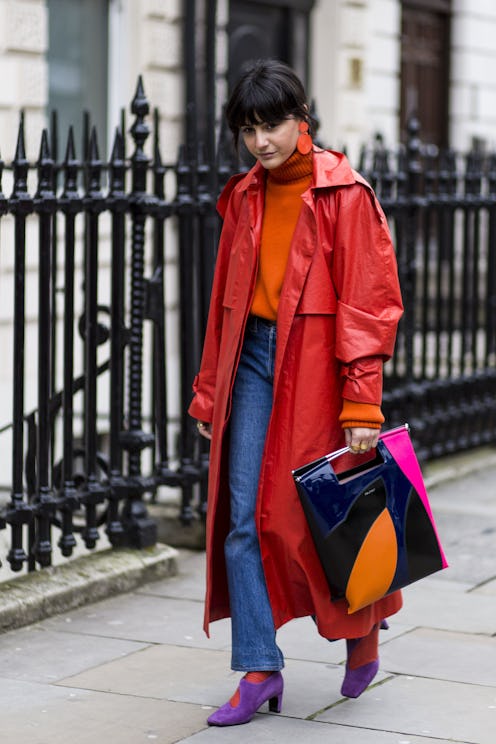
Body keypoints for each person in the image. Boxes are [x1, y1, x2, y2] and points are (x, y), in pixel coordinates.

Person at [188, 59, 404, 727]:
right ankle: (258, 668)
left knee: (322, 515)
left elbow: (369, 304)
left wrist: (361, 400)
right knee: (244, 516)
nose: (262, 141)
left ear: (301, 118)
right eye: (248, 129)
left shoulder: (345, 193)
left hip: (317, 367)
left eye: (272, 124)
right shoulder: (244, 195)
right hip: (251, 359)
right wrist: (206, 393)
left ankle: (361, 628)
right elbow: (224, 301)